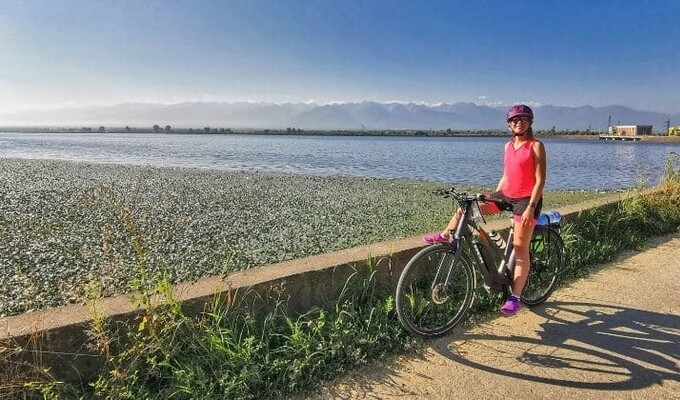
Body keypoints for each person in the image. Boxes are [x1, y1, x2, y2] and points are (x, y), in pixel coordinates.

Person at [423, 104, 547, 316]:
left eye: (523, 119)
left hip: (526, 201)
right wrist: (493, 196)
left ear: (530, 122)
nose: (519, 122)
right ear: (509, 125)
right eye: (514, 120)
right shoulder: (508, 147)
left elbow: (540, 180)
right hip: (506, 195)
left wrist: (530, 208)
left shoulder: (536, 146)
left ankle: (515, 298)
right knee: (467, 208)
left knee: (519, 248)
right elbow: (507, 175)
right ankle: (445, 235)